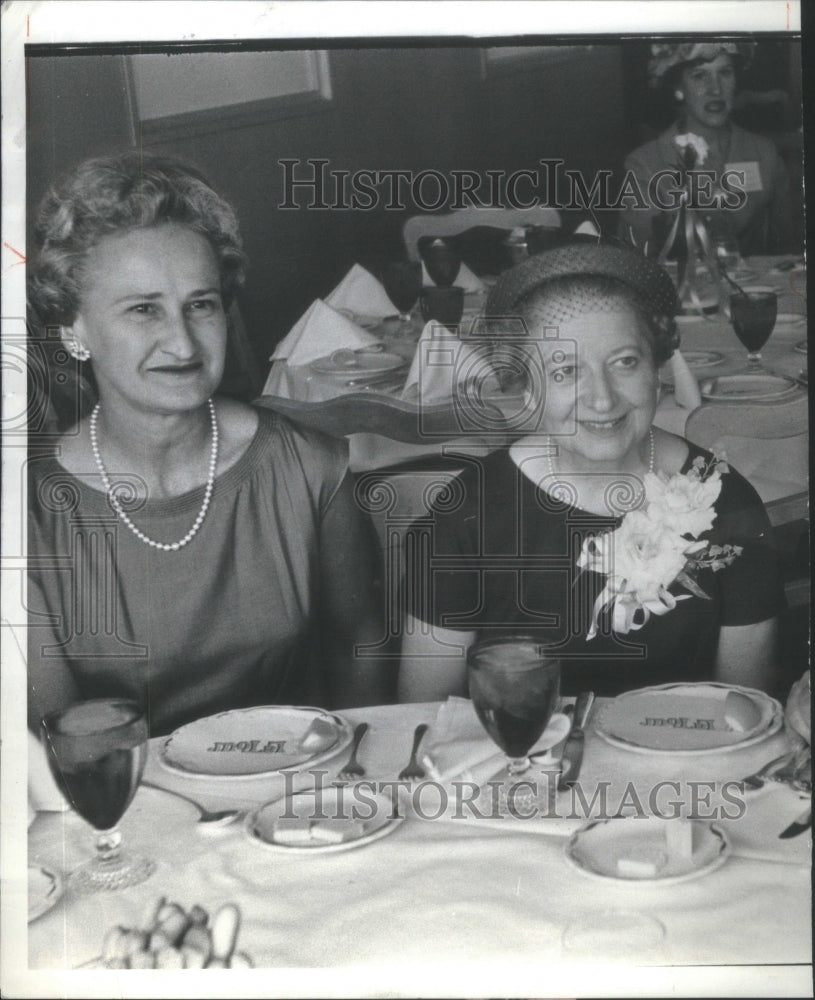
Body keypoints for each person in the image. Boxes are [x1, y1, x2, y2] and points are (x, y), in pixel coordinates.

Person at [27, 152, 391, 735]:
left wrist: (346, 784)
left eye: (201, 304)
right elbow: (64, 738)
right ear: (75, 329)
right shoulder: (27, 516)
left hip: (297, 795)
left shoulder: (310, 467)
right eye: (143, 310)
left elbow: (358, 642)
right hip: (132, 812)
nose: (182, 343)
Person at [398, 242, 784, 701]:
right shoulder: (467, 512)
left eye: (625, 362)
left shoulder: (727, 501)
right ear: (526, 392)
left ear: (657, 369)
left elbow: (746, 717)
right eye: (564, 372)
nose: (602, 398)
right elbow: (424, 715)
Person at [619, 42, 793, 256]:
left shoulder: (764, 154)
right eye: (700, 76)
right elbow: (635, 259)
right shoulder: (645, 164)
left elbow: (790, 249)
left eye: (725, 73)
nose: (716, 89)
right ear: (678, 88)